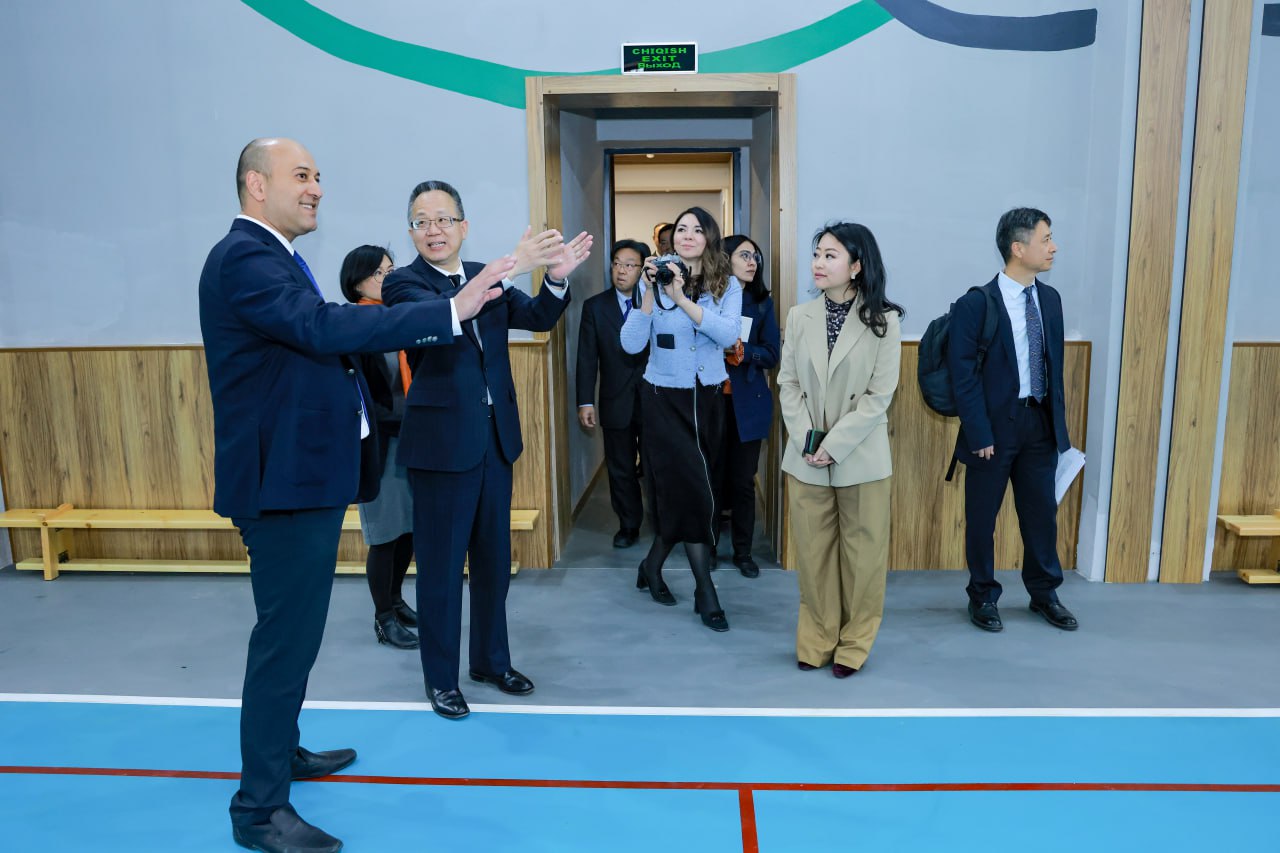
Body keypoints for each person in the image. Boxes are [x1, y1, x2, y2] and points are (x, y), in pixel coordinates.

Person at [200, 139, 507, 853]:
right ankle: (259, 809)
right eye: (301, 176)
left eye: (318, 176)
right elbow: (318, 327)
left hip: (299, 478)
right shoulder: (245, 256)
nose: (316, 188)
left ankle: (283, 752)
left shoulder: (274, 256)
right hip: (280, 483)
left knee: (296, 636)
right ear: (256, 184)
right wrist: (447, 310)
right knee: (285, 641)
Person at [382, 180, 592, 720]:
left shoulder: (483, 273)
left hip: (495, 442)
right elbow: (450, 313)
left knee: (494, 565)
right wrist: (513, 266)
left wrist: (556, 278)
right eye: (421, 221)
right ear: (412, 232)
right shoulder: (404, 284)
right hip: (440, 449)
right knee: (441, 571)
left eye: (443, 219)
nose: (433, 230)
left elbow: (538, 317)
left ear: (463, 226)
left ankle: (491, 662)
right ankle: (440, 680)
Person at [777, 222, 902, 678]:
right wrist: (807, 439)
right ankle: (817, 640)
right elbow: (788, 384)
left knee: (863, 560)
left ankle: (854, 644)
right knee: (813, 557)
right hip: (806, 457)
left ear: (856, 266)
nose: (818, 263)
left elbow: (878, 396)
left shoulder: (884, 320)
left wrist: (835, 445)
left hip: (860, 459)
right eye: (817, 254)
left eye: (830, 255)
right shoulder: (799, 316)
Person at [950, 207, 1077, 633]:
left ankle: (1044, 594)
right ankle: (983, 596)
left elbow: (1054, 368)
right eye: (1046, 239)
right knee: (982, 519)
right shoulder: (976, 304)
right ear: (1018, 248)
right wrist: (979, 432)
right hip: (992, 429)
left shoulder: (1051, 300)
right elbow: (963, 377)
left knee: (1041, 516)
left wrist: (1058, 430)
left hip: (1039, 425)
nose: (1053, 247)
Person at [622, 206, 742, 631]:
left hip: (707, 399)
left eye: (696, 229)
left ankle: (651, 565)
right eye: (681, 229)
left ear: (709, 237)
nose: (687, 235)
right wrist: (649, 292)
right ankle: (705, 591)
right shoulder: (655, 277)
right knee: (693, 490)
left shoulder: (725, 284)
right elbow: (631, 344)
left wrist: (682, 300)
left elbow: (729, 334)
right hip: (663, 401)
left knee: (696, 492)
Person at [339, 245, 418, 650]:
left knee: (408, 530)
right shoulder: (354, 324)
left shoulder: (398, 319)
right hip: (380, 444)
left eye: (392, 270)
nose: (390, 278)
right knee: (386, 534)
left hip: (412, 437)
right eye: (381, 273)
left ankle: (396, 600)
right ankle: (383, 617)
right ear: (357, 282)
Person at [576, 239, 651, 549]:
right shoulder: (595, 307)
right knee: (620, 468)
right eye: (617, 264)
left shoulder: (657, 302)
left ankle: (663, 522)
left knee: (656, 464)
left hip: (654, 399)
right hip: (615, 399)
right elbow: (586, 358)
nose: (621, 270)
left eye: (629, 265)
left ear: (642, 269)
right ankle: (629, 525)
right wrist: (585, 401)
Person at [715, 234, 780, 577]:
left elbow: (772, 353)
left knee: (742, 482)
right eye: (744, 255)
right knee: (711, 479)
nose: (752, 262)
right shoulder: (707, 300)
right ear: (725, 260)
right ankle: (707, 547)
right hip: (711, 403)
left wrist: (744, 352)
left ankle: (743, 552)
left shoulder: (762, 303)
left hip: (748, 404)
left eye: (755, 256)